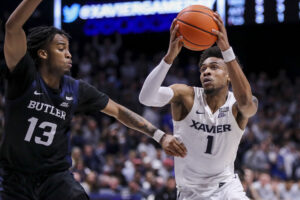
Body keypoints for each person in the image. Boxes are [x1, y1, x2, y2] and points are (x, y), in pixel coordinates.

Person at [0, 0, 187, 199]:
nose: (69, 54)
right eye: (61, 48)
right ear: (43, 53)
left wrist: (160, 136)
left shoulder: (77, 88)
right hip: (15, 179)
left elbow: (119, 111)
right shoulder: (24, 76)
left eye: (69, 49)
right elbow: (12, 26)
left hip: (55, 179)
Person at [139, 12, 258, 200]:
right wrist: (169, 57)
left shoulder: (237, 104)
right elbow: (146, 98)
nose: (206, 72)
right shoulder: (186, 95)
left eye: (214, 67)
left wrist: (227, 50)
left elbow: (247, 104)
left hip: (226, 187)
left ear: (228, 76)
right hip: (190, 192)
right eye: (203, 69)